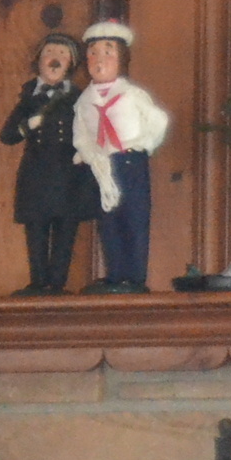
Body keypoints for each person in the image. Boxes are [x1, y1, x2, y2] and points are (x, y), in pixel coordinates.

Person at [72, 20, 168, 293]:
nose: (99, 59)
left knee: (134, 217)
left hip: (130, 162)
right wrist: (90, 154)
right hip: (103, 166)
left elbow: (157, 121)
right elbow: (80, 134)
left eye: (108, 51)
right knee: (109, 220)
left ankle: (134, 276)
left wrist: (143, 144)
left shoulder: (132, 95)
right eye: (93, 52)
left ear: (122, 58)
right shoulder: (84, 101)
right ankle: (116, 274)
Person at [0, 32, 95, 294]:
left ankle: (57, 283)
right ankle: (39, 281)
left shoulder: (78, 99)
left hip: (69, 175)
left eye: (63, 55)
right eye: (50, 53)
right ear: (39, 61)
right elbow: (6, 136)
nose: (55, 59)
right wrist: (26, 126)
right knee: (37, 229)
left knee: (65, 231)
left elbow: (92, 130)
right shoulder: (30, 99)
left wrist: (85, 152)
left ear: (71, 64)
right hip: (37, 174)